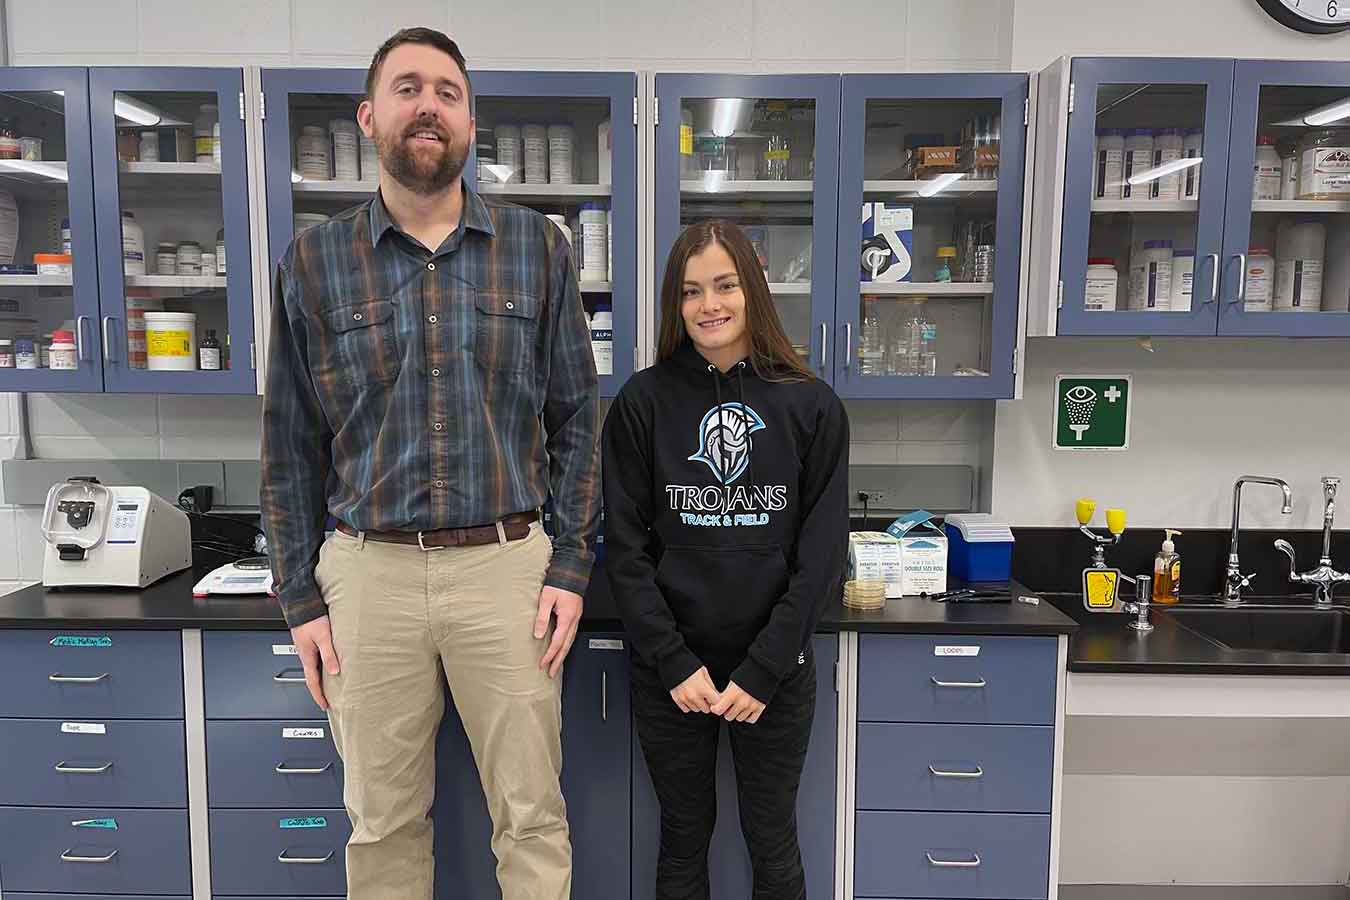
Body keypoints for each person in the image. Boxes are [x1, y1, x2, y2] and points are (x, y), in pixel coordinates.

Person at [259, 27, 600, 900]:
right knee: (381, 825)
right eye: (407, 89)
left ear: (470, 123)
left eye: (447, 92)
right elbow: (290, 443)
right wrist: (299, 596)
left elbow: (577, 423)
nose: (428, 106)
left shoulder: (538, 249)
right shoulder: (313, 260)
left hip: (508, 570)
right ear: (370, 116)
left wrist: (568, 562)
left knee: (532, 816)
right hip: (367, 577)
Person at [602, 220, 850, 899]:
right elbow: (625, 550)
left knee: (772, 840)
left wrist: (766, 669)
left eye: (724, 285)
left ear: (753, 292)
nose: (708, 305)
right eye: (690, 291)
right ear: (674, 305)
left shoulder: (812, 406)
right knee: (683, 836)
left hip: (772, 673)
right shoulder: (642, 404)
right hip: (673, 675)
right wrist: (672, 661)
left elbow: (822, 557)